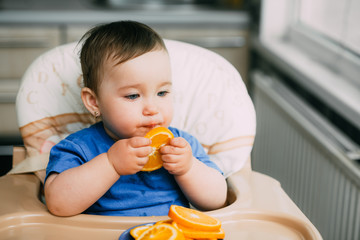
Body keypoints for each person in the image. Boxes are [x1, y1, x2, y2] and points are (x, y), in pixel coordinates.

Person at [44, 21, 227, 217]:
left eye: (162, 92)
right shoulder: (79, 148)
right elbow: (57, 204)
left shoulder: (181, 146)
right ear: (94, 102)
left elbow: (217, 200)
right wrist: (110, 164)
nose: (152, 108)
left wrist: (188, 168)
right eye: (133, 96)